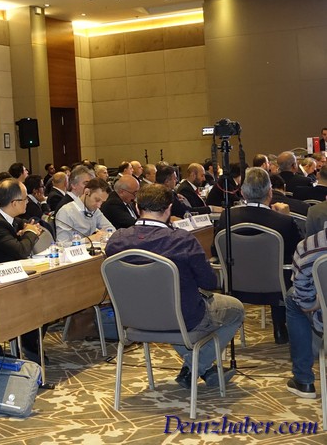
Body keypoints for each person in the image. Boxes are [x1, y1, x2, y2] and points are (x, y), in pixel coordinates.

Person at [105, 184, 245, 389]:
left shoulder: (116, 240)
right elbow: (209, 283)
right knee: (236, 309)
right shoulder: (181, 240)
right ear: (169, 209)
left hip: (134, 319)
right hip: (180, 317)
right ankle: (197, 366)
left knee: (168, 304)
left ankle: (197, 367)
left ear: (136, 207)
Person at [214, 167, 302, 344]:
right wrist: (286, 216)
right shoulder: (282, 221)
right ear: (270, 192)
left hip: (235, 285)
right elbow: (298, 251)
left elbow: (216, 251)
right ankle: (279, 327)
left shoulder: (226, 217)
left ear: (243, 193)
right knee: (283, 266)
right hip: (276, 288)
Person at [284, 227, 327, 399]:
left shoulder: (309, 246)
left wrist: (319, 301)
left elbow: (304, 301)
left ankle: (304, 380)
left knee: (292, 298)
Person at [54, 178, 114, 243]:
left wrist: (105, 235)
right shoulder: (66, 212)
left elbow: (110, 229)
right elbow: (62, 244)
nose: (99, 206)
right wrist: (88, 240)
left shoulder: (95, 210)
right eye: (97, 200)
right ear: (87, 192)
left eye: (102, 202)